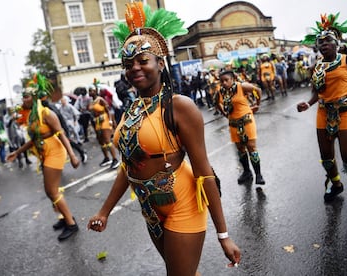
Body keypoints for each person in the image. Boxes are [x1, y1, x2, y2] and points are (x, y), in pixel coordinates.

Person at [87, 3, 240, 275]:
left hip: (182, 203)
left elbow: (204, 171)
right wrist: (104, 211)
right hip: (151, 210)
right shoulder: (131, 110)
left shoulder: (180, 106)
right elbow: (128, 166)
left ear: (160, 63)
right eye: (129, 63)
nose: (135, 68)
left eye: (143, 60)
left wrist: (223, 234)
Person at [297, 13, 347, 214]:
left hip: (346, 112)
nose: (323, 45)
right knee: (326, 157)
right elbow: (316, 92)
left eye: (328, 41)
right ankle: (336, 184)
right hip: (324, 113)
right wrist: (308, 104)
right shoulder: (315, 67)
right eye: (320, 42)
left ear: (337, 43)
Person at [6, 73, 81, 240]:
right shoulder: (32, 117)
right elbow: (33, 140)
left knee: (52, 191)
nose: (22, 100)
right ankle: (63, 217)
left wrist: (73, 155)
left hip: (55, 152)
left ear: (33, 98)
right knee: (50, 192)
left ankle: (71, 223)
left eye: (25, 97)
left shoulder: (47, 113)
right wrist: (17, 152)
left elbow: (61, 134)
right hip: (44, 154)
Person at [217, 70, 266, 185]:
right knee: (240, 149)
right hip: (233, 124)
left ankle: (258, 174)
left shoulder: (241, 87)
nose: (224, 83)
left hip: (247, 121)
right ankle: (247, 172)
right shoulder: (221, 92)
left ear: (233, 79)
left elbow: (257, 90)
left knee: (251, 147)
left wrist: (257, 105)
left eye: (226, 80)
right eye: (221, 81)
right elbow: (217, 102)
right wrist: (225, 114)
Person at [87, 85, 120, 169]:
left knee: (107, 140)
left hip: (104, 120)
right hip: (97, 121)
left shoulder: (100, 99)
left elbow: (108, 110)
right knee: (101, 141)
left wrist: (110, 121)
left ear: (95, 91)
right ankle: (106, 158)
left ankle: (115, 159)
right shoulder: (92, 101)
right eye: (89, 91)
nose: (90, 92)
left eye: (91, 90)